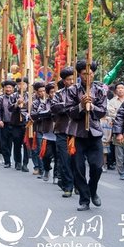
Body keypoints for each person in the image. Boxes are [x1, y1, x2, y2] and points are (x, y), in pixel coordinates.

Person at [66, 60, 107, 211]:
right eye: (84, 74)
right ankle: (84, 199)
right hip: (77, 133)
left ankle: (93, 190)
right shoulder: (71, 90)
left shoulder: (100, 90)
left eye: (90, 73)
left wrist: (92, 106)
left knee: (97, 167)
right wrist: (81, 106)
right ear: (79, 74)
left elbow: (102, 111)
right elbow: (69, 112)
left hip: (94, 133)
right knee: (78, 168)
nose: (87, 77)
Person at [51, 67, 76, 198]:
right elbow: (54, 108)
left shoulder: (81, 92)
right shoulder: (59, 94)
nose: (71, 81)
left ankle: (78, 184)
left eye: (73, 79)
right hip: (62, 129)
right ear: (64, 81)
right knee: (64, 159)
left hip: (77, 131)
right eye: (68, 79)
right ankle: (68, 186)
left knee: (77, 160)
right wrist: (69, 106)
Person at [106, 82, 124, 180]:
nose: (120, 90)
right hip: (118, 129)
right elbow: (112, 114)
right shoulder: (112, 102)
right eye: (118, 88)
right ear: (115, 91)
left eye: (122, 88)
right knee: (119, 153)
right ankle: (122, 172)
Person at [0, 80, 18, 168]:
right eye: (6, 87)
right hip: (4, 123)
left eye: (10, 87)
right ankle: (7, 161)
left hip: (15, 124)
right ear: (4, 88)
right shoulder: (1, 98)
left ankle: (16, 161)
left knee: (12, 142)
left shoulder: (17, 97)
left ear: (13, 89)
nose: (8, 89)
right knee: (4, 142)